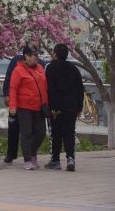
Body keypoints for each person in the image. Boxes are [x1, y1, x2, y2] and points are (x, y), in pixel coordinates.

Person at [2, 40, 45, 163]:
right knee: (13, 127)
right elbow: (9, 78)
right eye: (33, 50)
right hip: (16, 102)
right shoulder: (16, 60)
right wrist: (6, 95)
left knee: (32, 131)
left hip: (33, 105)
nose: (36, 54)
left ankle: (31, 154)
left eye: (37, 51)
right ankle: (11, 153)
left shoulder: (41, 64)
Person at [44, 43, 84, 171]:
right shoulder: (74, 69)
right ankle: (70, 158)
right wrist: (79, 107)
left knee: (56, 133)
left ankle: (55, 160)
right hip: (71, 107)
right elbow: (79, 89)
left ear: (55, 54)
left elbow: (50, 90)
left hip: (57, 108)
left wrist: (53, 108)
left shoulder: (50, 68)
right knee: (69, 133)